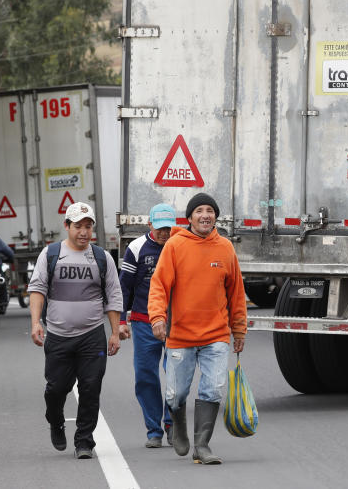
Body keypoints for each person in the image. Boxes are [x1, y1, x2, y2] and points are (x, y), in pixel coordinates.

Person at [148, 192, 247, 465]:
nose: (206, 215)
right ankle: (178, 423)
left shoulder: (225, 247)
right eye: (200, 211)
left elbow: (236, 293)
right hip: (180, 336)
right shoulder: (175, 246)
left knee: (214, 389)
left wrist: (239, 330)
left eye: (211, 211)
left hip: (215, 335)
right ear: (189, 217)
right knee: (176, 393)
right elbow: (159, 285)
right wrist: (157, 317)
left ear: (216, 216)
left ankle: (202, 445)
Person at [27, 202, 127, 459]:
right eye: (78, 226)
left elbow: (113, 295)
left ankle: (84, 441)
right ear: (67, 227)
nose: (84, 232)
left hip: (92, 335)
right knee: (56, 389)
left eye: (88, 226)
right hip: (58, 336)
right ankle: (56, 420)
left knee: (91, 388)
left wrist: (115, 332)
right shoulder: (50, 254)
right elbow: (37, 289)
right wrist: (36, 322)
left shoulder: (102, 258)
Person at [119, 203, 177, 448]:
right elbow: (124, 288)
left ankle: (173, 425)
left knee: (176, 376)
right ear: (150, 224)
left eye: (168, 228)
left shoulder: (180, 245)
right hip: (143, 323)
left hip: (176, 323)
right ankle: (154, 430)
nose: (164, 233)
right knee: (146, 377)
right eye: (160, 228)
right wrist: (121, 321)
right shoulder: (136, 248)